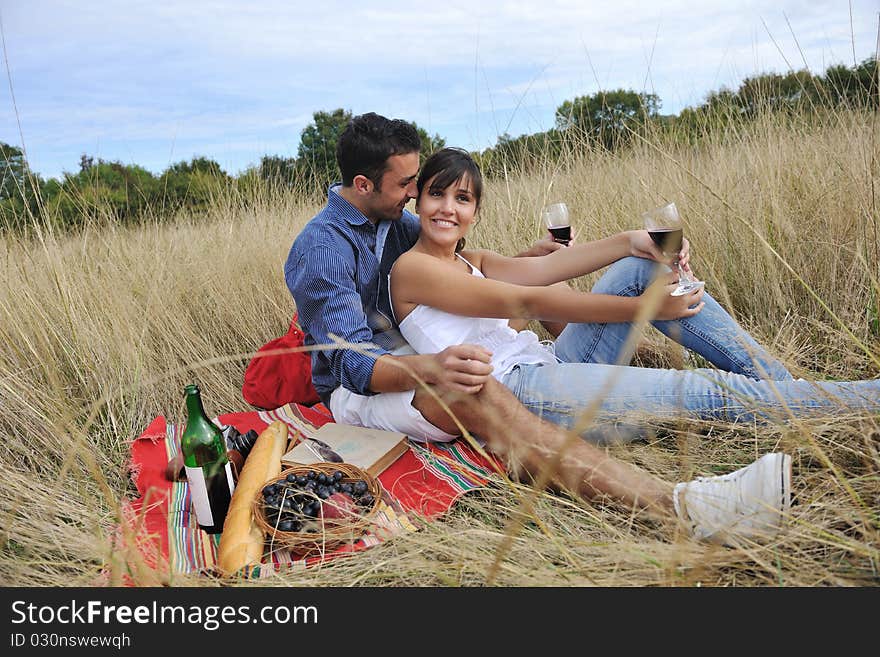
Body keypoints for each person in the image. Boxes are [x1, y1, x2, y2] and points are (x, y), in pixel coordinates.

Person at [285, 114, 818, 546]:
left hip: (505, 358)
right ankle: (690, 502)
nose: (421, 197)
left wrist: (625, 241)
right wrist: (432, 365)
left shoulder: (399, 220)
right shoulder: (323, 248)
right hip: (374, 384)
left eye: (454, 196)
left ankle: (790, 392)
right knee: (476, 384)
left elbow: (466, 278)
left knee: (639, 271)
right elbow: (353, 362)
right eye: (411, 186)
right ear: (364, 185)